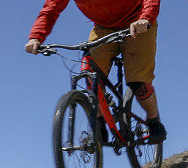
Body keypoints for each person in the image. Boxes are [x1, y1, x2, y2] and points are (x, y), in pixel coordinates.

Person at [25, 0, 167, 143]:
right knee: (91, 78)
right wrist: (35, 37)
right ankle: (99, 126)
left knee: (138, 81)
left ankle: (154, 120)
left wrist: (146, 18)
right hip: (103, 28)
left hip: (137, 21)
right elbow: (50, 10)